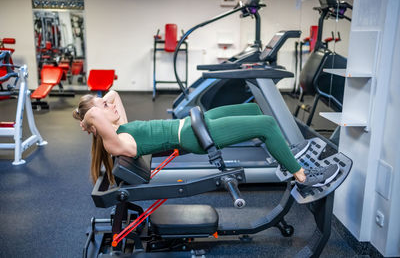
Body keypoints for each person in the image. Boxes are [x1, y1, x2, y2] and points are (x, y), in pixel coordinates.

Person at [73, 90, 338, 188]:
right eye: (104, 108)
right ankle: (303, 176)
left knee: (252, 110)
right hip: (193, 136)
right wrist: (86, 118)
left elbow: (113, 93)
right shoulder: (115, 142)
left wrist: (98, 106)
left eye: (105, 104)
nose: (110, 106)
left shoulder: (122, 126)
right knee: (267, 124)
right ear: (96, 125)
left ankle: (284, 157)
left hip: (193, 122)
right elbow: (96, 113)